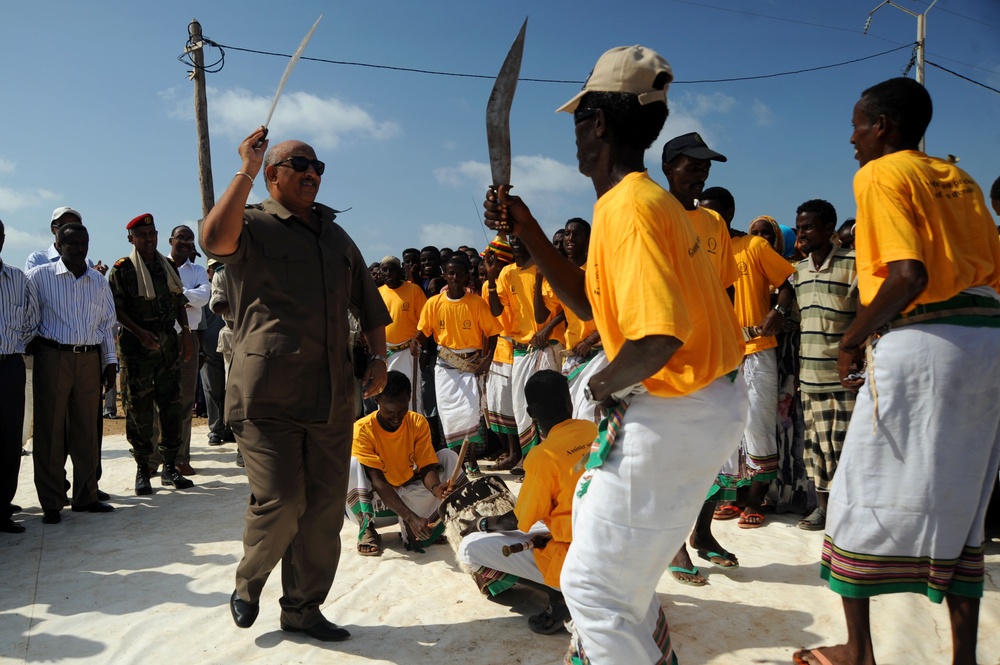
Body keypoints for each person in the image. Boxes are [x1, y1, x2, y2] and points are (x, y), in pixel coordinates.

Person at [484, 45, 747, 665]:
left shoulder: (628, 208)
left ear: (598, 124)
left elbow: (658, 339)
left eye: (578, 121)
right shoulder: (637, 203)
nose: (574, 136)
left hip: (674, 409)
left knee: (591, 585)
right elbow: (584, 302)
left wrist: (600, 389)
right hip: (698, 406)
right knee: (617, 579)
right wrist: (525, 226)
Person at [793, 77, 1000, 665]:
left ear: (883, 126)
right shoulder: (961, 178)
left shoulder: (881, 174)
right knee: (964, 503)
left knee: (859, 492)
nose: (852, 137)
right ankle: (964, 658)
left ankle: (858, 652)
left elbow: (907, 276)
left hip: (926, 340)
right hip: (987, 339)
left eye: (859, 124)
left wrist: (850, 341)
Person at [201, 128, 390, 641]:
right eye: (300, 165)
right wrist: (244, 166)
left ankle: (303, 610)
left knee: (326, 513)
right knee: (282, 501)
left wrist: (378, 356)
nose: (313, 174)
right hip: (267, 396)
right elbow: (213, 239)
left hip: (331, 398)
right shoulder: (254, 225)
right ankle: (249, 581)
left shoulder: (336, 235)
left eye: (319, 166)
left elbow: (370, 304)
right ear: (273, 175)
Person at [661, 132, 743, 583]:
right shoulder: (657, 216)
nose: (701, 174)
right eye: (693, 167)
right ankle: (672, 542)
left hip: (719, 354)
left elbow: (725, 287)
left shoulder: (713, 223)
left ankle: (703, 533)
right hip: (675, 357)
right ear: (669, 167)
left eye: (705, 168)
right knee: (676, 454)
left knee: (718, 451)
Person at [458, 370, 595, 634]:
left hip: (578, 559)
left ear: (531, 413)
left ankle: (559, 597)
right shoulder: (593, 430)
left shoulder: (542, 456)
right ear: (569, 401)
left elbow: (519, 521)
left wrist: (481, 522)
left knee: (469, 547)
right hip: (614, 545)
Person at [25, 222, 117, 524]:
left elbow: (106, 325)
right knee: (50, 431)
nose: (80, 249)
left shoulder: (99, 282)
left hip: (89, 359)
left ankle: (86, 496)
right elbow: (28, 317)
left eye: (84, 243)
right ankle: (52, 502)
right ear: (59, 244)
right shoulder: (40, 278)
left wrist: (110, 362)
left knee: (88, 431)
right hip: (54, 357)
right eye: (73, 243)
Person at [108, 213, 195, 496]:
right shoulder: (122, 269)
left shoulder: (166, 266)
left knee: (171, 405)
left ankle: (170, 467)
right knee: (138, 409)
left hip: (167, 343)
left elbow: (179, 300)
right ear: (131, 239)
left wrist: (186, 332)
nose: (148, 239)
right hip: (137, 347)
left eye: (152, 234)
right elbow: (117, 309)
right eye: (142, 235)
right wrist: (139, 333)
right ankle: (143, 469)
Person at [725, 215, 795, 528]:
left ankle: (755, 500)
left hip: (758, 348)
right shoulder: (705, 252)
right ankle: (731, 497)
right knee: (727, 427)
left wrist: (776, 311)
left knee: (757, 426)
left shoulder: (753, 247)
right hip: (722, 352)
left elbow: (788, 283)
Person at [791, 199, 857, 532]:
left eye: (808, 227)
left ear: (829, 230)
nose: (801, 233)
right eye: (799, 227)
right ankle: (823, 510)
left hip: (843, 379)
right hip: (809, 377)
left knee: (844, 448)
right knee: (815, 449)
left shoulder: (854, 264)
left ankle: (848, 514)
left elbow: (868, 317)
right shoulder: (799, 271)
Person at [346, 370, 460, 555]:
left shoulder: (417, 422)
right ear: (376, 401)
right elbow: (378, 482)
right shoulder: (362, 430)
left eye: (402, 410)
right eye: (389, 411)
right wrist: (411, 517)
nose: (396, 418)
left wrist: (435, 488)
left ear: (409, 398)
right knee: (352, 465)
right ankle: (366, 527)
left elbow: (426, 465)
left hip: (407, 495)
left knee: (448, 456)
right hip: (379, 506)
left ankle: (430, 524)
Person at [416, 253, 500, 475]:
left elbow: (492, 333)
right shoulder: (433, 303)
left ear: (466, 277)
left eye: (459, 274)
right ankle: (457, 462)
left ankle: (470, 460)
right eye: (450, 273)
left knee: (471, 414)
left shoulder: (476, 303)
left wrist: (487, 359)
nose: (454, 277)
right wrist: (412, 346)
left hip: (470, 366)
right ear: (444, 275)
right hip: (445, 368)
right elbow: (423, 333)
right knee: (449, 416)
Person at [488, 235, 564, 457]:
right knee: (522, 406)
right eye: (513, 238)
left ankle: (553, 456)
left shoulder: (543, 268)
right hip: (521, 349)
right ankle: (532, 457)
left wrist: (546, 329)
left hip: (546, 346)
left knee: (548, 405)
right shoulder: (506, 272)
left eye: (521, 237)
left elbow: (556, 310)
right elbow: (495, 310)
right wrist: (492, 278)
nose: (516, 241)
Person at [148, 225, 210, 477]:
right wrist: (185, 295)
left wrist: (176, 294)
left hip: (188, 338)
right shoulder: (157, 265)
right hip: (160, 338)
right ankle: (152, 461)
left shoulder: (197, 270)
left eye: (189, 239)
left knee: (185, 401)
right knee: (155, 400)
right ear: (170, 240)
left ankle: (181, 458)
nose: (185, 242)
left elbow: (203, 297)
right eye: (180, 238)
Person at [535, 218, 605, 422]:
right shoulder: (560, 275)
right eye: (567, 233)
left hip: (600, 351)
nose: (570, 238)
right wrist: (539, 279)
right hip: (574, 355)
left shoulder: (598, 270)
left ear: (587, 239)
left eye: (576, 234)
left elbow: (616, 313)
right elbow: (541, 316)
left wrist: (590, 340)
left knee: (589, 415)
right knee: (575, 413)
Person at [0, 219, 30, 534]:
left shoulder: (17, 279)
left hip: (10, 366)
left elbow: (30, 319)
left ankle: (2, 508)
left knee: (9, 440)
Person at [378, 255, 427, 412]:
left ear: (400, 272)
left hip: (408, 352)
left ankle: (413, 431)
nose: (388, 274)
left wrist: (417, 341)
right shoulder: (378, 293)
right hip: (385, 352)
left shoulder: (414, 290)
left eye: (392, 270)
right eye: (384, 270)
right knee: (386, 394)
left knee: (410, 394)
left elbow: (426, 322)